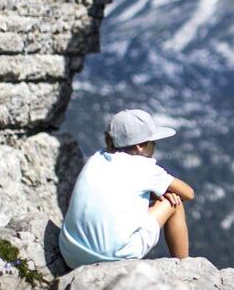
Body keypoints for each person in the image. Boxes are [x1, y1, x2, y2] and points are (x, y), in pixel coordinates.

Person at [59, 108, 195, 270]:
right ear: (140, 146)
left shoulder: (95, 159)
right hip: (112, 258)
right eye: (153, 142)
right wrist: (163, 192)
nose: (155, 145)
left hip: (70, 253)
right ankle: (184, 268)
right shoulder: (144, 168)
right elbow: (189, 193)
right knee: (175, 202)